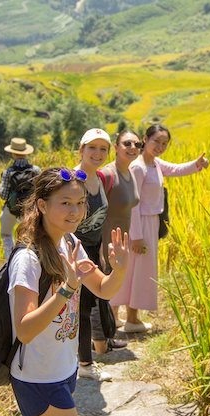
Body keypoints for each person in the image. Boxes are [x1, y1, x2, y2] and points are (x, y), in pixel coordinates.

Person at [8, 167, 129, 416]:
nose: (75, 211)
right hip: (39, 376)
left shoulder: (69, 243)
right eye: (65, 203)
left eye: (80, 203)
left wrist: (121, 268)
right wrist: (67, 289)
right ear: (42, 205)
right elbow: (24, 330)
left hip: (62, 369)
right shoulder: (28, 259)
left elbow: (102, 287)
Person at [110, 123, 209, 333]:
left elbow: (175, 169)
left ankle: (118, 317)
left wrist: (196, 164)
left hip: (150, 222)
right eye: (157, 141)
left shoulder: (154, 163)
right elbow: (133, 203)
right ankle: (130, 319)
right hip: (139, 223)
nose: (160, 146)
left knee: (132, 270)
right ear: (145, 140)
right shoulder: (138, 166)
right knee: (135, 270)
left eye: (165, 143)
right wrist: (136, 236)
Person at [73, 128, 126, 382]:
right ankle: (84, 362)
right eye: (91, 148)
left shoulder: (99, 179)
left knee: (88, 305)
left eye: (103, 149)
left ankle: (81, 359)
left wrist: (102, 254)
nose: (97, 153)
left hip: (92, 251)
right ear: (81, 149)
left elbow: (100, 222)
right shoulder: (74, 180)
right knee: (81, 308)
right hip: (73, 252)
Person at [92, 130, 142, 354]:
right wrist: (101, 247)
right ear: (116, 146)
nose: (133, 147)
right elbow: (95, 209)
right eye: (127, 143)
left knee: (108, 293)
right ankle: (97, 342)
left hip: (119, 243)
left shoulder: (129, 173)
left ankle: (106, 337)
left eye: (137, 143)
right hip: (106, 243)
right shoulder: (107, 174)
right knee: (98, 293)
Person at [0, 137, 40, 258]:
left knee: (6, 234)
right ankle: (30, 257)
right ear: (26, 153)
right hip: (29, 209)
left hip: (11, 209)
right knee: (30, 236)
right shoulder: (35, 170)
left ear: (12, 153)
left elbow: (3, 195)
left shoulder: (8, 172)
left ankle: (9, 259)